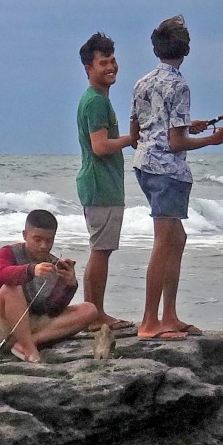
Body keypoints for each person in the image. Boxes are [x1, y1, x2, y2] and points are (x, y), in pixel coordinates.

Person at [129, 15, 223, 341]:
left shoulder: (142, 82)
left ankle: (169, 315)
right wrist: (210, 140)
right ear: (185, 49)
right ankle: (149, 322)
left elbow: (137, 132)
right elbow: (176, 143)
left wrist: (191, 125)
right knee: (164, 242)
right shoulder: (180, 85)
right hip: (168, 172)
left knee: (178, 238)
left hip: (143, 166)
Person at [76, 32, 137, 331]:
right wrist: (131, 138)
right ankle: (95, 315)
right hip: (101, 185)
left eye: (112, 60)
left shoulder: (97, 100)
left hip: (100, 185)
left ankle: (91, 313)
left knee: (99, 250)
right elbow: (100, 146)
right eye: (103, 63)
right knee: (101, 251)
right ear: (89, 68)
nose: (110, 66)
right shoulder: (96, 102)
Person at [0, 209, 99, 363]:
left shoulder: (53, 263)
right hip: (1, 327)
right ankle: (30, 351)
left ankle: (26, 343)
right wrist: (32, 269)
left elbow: (52, 310)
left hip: (33, 325)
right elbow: (2, 274)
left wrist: (69, 285)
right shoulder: (8, 252)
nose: (43, 246)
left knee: (89, 309)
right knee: (12, 288)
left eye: (49, 240)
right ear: (25, 235)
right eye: (37, 239)